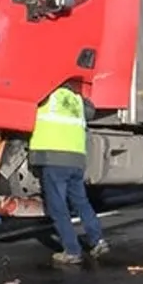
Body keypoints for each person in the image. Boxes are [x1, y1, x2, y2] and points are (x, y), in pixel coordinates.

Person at [28, 81, 109, 265]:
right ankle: (97, 241)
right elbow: (91, 112)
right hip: (76, 159)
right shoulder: (77, 100)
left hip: (54, 157)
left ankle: (72, 250)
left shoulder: (46, 96)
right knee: (81, 202)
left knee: (58, 207)